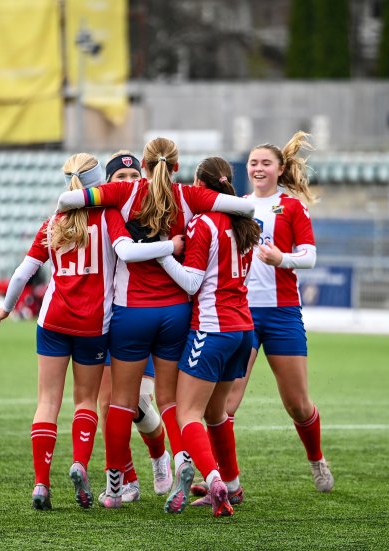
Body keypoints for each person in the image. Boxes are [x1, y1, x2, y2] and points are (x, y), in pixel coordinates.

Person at [54, 137, 255, 510]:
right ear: (176, 167)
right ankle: (182, 464)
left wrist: (104, 193)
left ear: (143, 166)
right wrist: (172, 242)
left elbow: (67, 202)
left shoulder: (124, 193)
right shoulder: (188, 196)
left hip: (131, 312)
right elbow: (243, 205)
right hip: (176, 313)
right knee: (170, 402)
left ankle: (116, 487)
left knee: (120, 402)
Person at [0, 153, 183, 510]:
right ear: (101, 182)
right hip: (97, 324)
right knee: (90, 401)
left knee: (48, 402)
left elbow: (22, 273)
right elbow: (126, 252)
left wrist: (5, 308)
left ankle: (41, 485)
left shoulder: (54, 222)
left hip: (52, 320)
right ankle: (82, 464)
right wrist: (172, 248)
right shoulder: (111, 216)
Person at [213, 131, 335, 495]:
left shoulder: (293, 207)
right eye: (253, 163)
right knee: (227, 403)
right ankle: (224, 481)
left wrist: (282, 259)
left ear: (280, 169)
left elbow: (310, 256)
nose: (258, 168)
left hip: (282, 314)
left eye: (266, 163)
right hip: (241, 313)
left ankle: (316, 459)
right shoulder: (237, 206)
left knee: (298, 404)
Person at [155, 157, 261, 517]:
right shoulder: (245, 223)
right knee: (216, 414)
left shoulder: (204, 223)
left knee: (188, 414)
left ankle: (214, 480)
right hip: (243, 331)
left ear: (200, 186)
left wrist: (162, 253)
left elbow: (191, 282)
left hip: (212, 329)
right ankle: (231, 483)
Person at [96, 150, 173, 503]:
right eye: (119, 179)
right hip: (106, 321)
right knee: (106, 406)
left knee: (138, 400)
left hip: (140, 314)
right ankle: (127, 480)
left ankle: (159, 454)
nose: (127, 184)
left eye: (132, 178)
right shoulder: (105, 216)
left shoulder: (152, 210)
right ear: (108, 184)